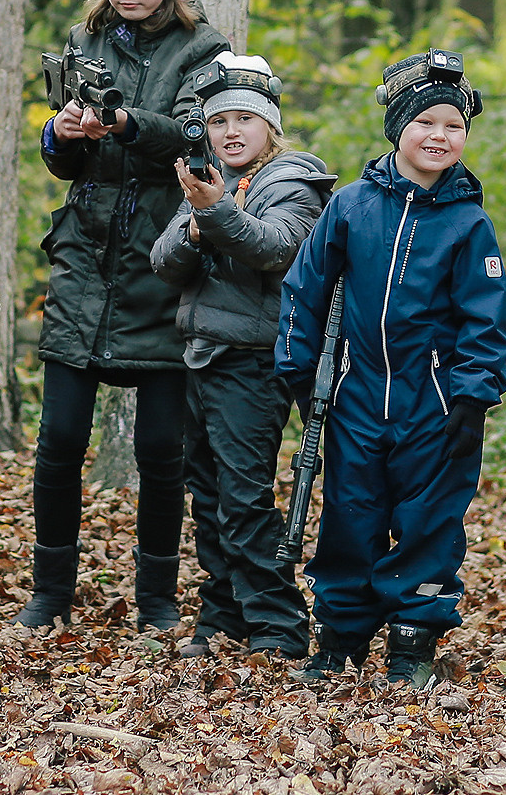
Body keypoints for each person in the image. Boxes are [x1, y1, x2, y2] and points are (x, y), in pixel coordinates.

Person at [22, 0, 230, 631]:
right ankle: (50, 591)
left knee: (161, 449)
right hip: (84, 258)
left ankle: (157, 598)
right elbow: (62, 161)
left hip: (164, 258)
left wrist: (124, 122)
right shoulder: (87, 36)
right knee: (60, 439)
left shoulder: (204, 49)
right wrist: (63, 132)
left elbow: (195, 134)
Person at [276, 50, 506, 688]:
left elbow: (486, 316)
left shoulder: (469, 223)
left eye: (453, 126)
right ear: (397, 128)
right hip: (355, 397)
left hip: (433, 404)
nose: (439, 136)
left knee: (429, 520)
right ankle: (342, 635)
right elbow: (305, 290)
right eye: (425, 122)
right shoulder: (351, 207)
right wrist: (299, 373)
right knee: (349, 514)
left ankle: (413, 638)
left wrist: (472, 397)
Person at [149, 54, 333, 659]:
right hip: (200, 356)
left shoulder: (294, 182)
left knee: (244, 497)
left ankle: (279, 625)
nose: (231, 132)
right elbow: (163, 261)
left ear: (270, 125)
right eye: (218, 120)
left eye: (245, 120)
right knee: (208, 495)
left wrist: (211, 213)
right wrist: (197, 223)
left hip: (253, 363)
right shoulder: (210, 179)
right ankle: (223, 614)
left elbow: (275, 247)